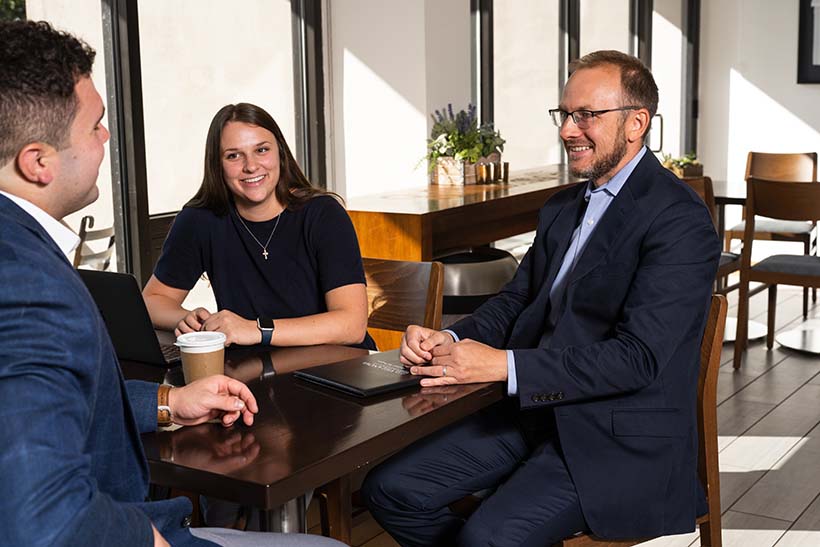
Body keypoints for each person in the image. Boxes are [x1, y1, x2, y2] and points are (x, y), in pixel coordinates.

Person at [0, 20, 344, 547]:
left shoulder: (22, 254)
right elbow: (43, 517)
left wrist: (168, 402)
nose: (108, 137)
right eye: (95, 126)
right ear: (38, 162)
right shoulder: (30, 285)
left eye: (262, 150)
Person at [361, 50, 721, 547]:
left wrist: (504, 367)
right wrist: (448, 337)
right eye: (565, 114)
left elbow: (637, 359)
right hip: (533, 413)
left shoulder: (679, 219)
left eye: (586, 116)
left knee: (485, 539)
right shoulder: (561, 207)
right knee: (388, 490)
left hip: (616, 438)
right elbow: (516, 301)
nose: (568, 130)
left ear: (637, 123)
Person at [142, 103, 374, 350]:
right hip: (254, 370)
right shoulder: (200, 220)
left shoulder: (324, 214)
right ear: (217, 165)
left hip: (337, 367)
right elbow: (152, 301)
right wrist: (186, 318)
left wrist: (255, 330)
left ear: (280, 154)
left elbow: (352, 325)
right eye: (233, 155)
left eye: (261, 150)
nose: (251, 166)